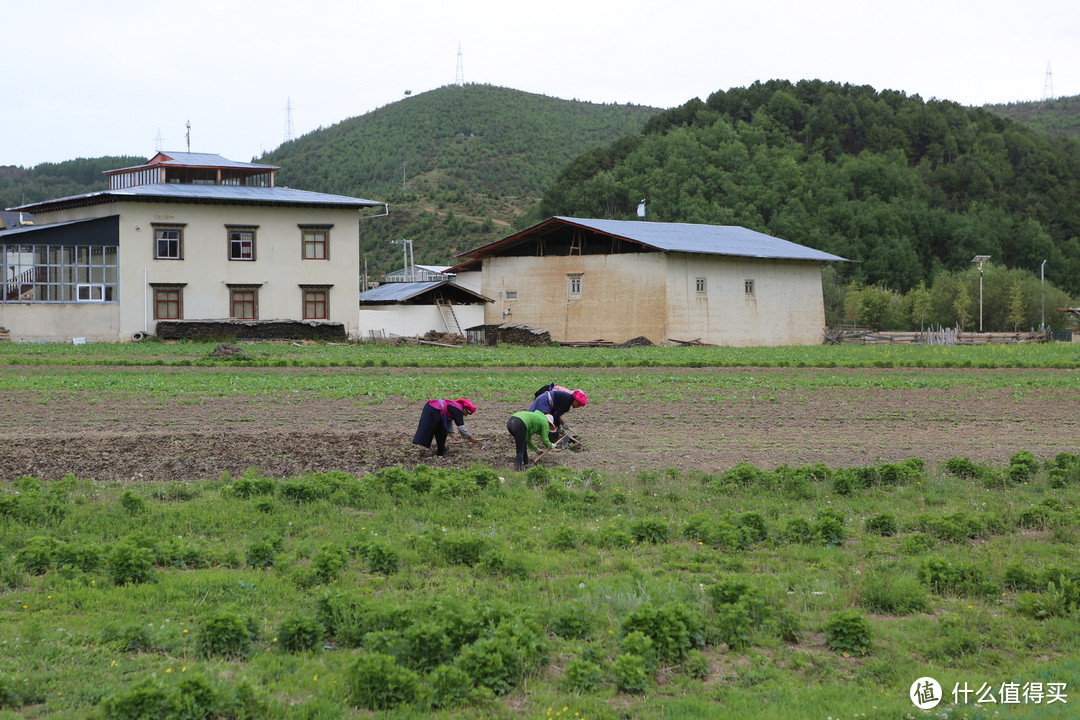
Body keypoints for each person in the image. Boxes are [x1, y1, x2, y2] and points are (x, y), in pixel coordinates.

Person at [412, 398, 478, 457]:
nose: (466, 415)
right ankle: (440, 453)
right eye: (467, 412)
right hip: (434, 410)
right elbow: (461, 427)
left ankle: (441, 450)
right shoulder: (458, 410)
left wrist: (452, 435)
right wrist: (470, 437)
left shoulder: (456, 406)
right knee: (440, 431)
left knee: (442, 430)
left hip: (434, 409)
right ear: (465, 408)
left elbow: (448, 420)